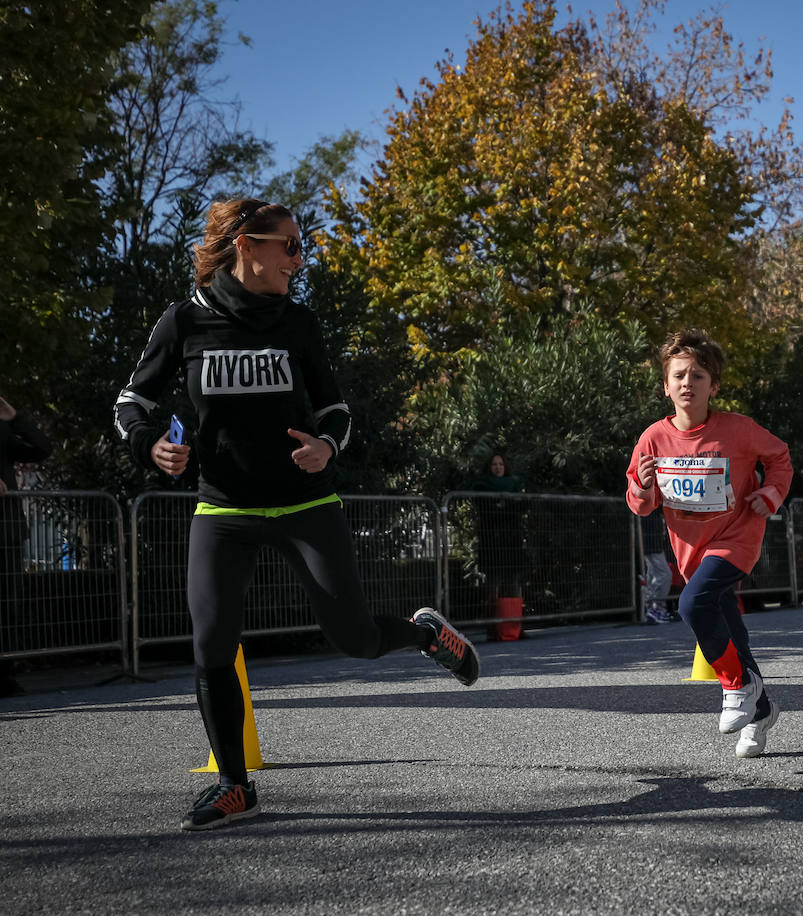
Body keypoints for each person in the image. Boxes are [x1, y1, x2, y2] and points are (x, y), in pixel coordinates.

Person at [114, 198, 480, 831]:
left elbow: (336, 410)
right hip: (223, 509)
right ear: (246, 246)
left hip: (305, 504)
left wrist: (326, 445)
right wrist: (150, 442)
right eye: (289, 246)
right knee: (209, 646)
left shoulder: (299, 324)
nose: (298, 258)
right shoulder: (183, 323)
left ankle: (425, 634)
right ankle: (234, 785)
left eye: (300, 247)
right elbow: (131, 401)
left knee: (356, 639)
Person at [625, 329, 792, 759]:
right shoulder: (652, 439)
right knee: (730, 628)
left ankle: (736, 687)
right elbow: (641, 504)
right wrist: (643, 488)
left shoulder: (737, 429)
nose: (687, 382)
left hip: (738, 536)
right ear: (666, 386)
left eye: (697, 375)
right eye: (679, 375)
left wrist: (770, 496)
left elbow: (779, 458)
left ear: (712, 386)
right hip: (690, 550)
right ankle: (761, 711)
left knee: (692, 605)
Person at [0, 394, 53, 697]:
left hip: (7, 529)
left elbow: (42, 449)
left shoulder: (4, 427)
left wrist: (15, 416)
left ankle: (5, 673)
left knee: (10, 605)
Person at [470, 452, 525, 609]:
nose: (498, 467)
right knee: (493, 583)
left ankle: (514, 627)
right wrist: (505, 505)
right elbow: (486, 509)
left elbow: (520, 506)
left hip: (511, 542)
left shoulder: (514, 484)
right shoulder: (481, 485)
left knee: (513, 584)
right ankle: (494, 626)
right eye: (494, 464)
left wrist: (505, 505)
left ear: (505, 466)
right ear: (489, 467)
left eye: (501, 464)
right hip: (492, 542)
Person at [640, 507, 679, 624]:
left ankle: (653, 608)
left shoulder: (653, 510)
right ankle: (656, 607)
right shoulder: (651, 509)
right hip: (652, 546)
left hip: (654, 546)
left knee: (654, 576)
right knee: (665, 575)